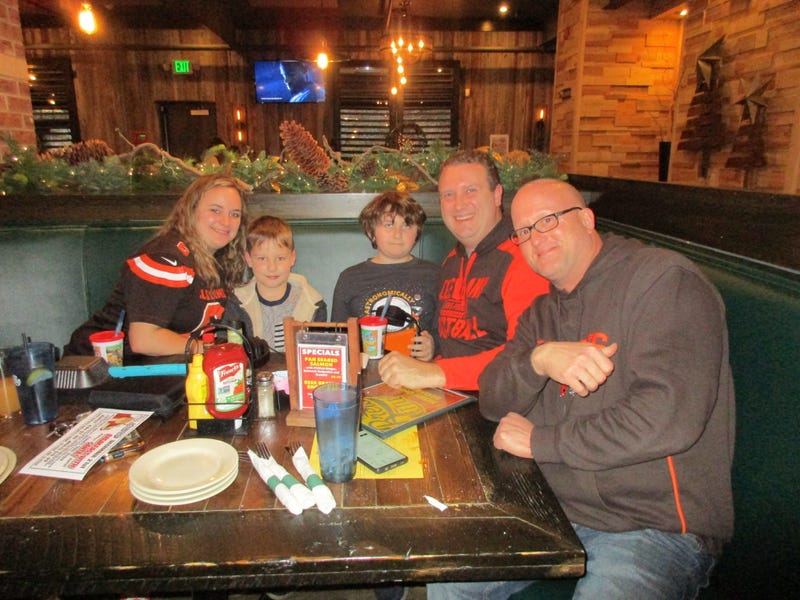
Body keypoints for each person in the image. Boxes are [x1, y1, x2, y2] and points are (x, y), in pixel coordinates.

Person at [428, 178, 735, 599]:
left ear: (587, 219)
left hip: (654, 525)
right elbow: (494, 397)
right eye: (523, 232)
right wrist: (540, 360)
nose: (536, 238)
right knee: (449, 580)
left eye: (548, 220)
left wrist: (542, 442)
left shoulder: (663, 282)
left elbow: (668, 417)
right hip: (555, 509)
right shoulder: (542, 312)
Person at [378, 150, 549, 390]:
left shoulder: (522, 257)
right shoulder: (452, 259)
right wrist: (430, 351)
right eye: (448, 195)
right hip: (445, 393)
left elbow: (527, 354)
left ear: (497, 194)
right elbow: (450, 337)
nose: (458, 205)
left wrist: (435, 373)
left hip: (495, 402)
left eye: (470, 190)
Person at [65, 174, 250, 360]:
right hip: (96, 369)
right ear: (190, 210)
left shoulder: (215, 261)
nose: (226, 222)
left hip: (156, 371)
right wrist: (210, 350)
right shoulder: (166, 258)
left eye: (235, 214)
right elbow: (145, 340)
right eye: (215, 210)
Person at [331, 191, 439, 360]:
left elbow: (449, 333)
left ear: (417, 232)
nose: (398, 234)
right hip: (366, 374)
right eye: (389, 225)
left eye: (407, 225)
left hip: (418, 374)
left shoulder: (435, 275)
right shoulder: (350, 278)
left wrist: (434, 346)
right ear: (371, 232)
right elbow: (338, 337)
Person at [231, 215, 326, 352]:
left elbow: (317, 353)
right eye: (262, 259)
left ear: (292, 258)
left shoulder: (313, 303)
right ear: (249, 259)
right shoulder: (236, 302)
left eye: (280, 258)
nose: (272, 267)